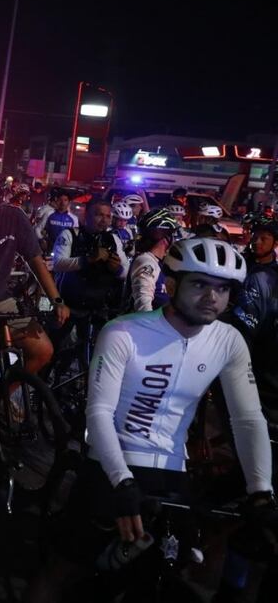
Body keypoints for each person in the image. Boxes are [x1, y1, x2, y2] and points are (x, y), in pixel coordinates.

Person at [27, 237, 274, 603]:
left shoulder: (228, 340)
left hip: (171, 471)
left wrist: (261, 491)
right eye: (200, 284)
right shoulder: (124, 332)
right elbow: (98, 414)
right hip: (111, 464)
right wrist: (120, 481)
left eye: (223, 288)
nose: (212, 297)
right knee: (63, 570)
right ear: (171, 284)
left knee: (164, 570)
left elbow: (248, 419)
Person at [0, 171, 69, 378]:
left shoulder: (14, 217)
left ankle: (2, 397)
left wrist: (57, 300)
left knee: (43, 351)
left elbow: (35, 260)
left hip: (0, 300)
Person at [230, 218, 278, 409]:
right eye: (255, 237)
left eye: (264, 239)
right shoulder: (240, 263)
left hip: (262, 345)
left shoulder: (270, 275)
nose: (257, 242)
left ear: (274, 243)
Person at [52, 199, 129, 314]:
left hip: (99, 308)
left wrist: (117, 269)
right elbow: (57, 264)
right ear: (86, 215)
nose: (104, 220)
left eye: (108, 216)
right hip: (68, 306)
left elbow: (126, 271)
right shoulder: (70, 234)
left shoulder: (114, 239)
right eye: (99, 215)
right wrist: (88, 259)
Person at [124, 208, 178, 313]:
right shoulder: (146, 262)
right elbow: (143, 304)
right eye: (172, 235)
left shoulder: (158, 261)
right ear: (165, 238)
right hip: (145, 327)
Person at [34, 186, 78, 251]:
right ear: (56, 200)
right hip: (50, 249)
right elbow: (37, 229)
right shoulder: (49, 214)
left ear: (69, 202)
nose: (62, 203)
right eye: (60, 200)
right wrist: (41, 240)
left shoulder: (74, 219)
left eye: (65, 200)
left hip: (66, 252)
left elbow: (76, 236)